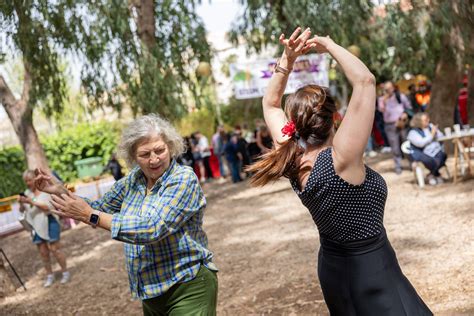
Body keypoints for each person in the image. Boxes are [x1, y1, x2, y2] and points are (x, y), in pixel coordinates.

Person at [247, 27, 432, 315]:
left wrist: (288, 58)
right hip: (372, 268)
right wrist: (329, 44)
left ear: (294, 123)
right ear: (335, 117)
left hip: (333, 268)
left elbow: (270, 103)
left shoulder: (292, 155)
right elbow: (365, 81)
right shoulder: (341, 158)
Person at [34, 114, 218, 315]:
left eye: (160, 150)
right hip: (151, 291)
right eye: (145, 154)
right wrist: (60, 191)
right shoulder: (133, 181)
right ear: (132, 156)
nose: (154, 159)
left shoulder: (183, 179)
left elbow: (152, 227)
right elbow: (99, 207)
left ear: (171, 147)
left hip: (188, 286)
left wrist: (91, 216)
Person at [19, 170, 70, 287]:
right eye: (26, 181)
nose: (28, 183)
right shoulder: (27, 193)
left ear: (35, 179)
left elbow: (47, 207)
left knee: (55, 250)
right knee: (43, 253)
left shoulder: (44, 191)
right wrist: (22, 203)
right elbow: (23, 210)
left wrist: (31, 201)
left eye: (30, 180)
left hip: (49, 221)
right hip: (36, 225)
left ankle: (65, 272)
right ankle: (50, 275)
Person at [378, 81, 413, 174]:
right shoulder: (381, 99)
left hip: (402, 123)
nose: (388, 90)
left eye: (390, 88)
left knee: (406, 144)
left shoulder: (400, 96)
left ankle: (412, 163)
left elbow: (409, 107)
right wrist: (384, 101)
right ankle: (398, 166)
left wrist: (405, 114)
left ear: (393, 88)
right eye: (386, 89)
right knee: (395, 146)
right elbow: (381, 110)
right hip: (390, 125)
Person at [407, 113, 447, 185]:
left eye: (428, 119)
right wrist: (431, 135)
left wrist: (436, 132)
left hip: (436, 151)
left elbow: (441, 137)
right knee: (431, 160)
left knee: (443, 155)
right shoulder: (413, 132)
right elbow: (421, 143)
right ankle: (436, 174)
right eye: (425, 120)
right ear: (419, 121)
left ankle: (431, 175)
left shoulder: (431, 127)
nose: (428, 120)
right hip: (423, 153)